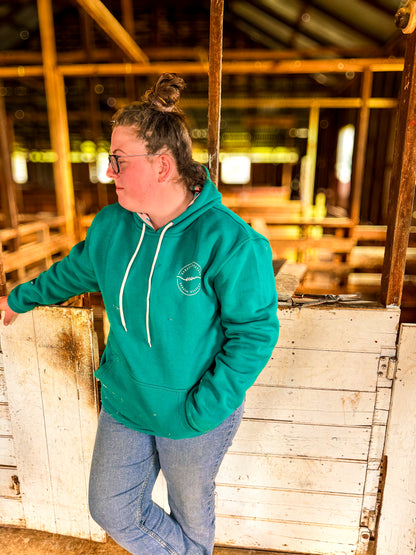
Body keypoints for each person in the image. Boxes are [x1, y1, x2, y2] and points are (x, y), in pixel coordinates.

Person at [0, 73, 279, 555]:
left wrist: (205, 408)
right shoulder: (112, 227)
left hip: (196, 410)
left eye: (119, 161)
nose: (110, 172)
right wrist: (16, 299)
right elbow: (72, 274)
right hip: (127, 401)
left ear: (163, 165)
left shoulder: (230, 241)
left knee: (192, 514)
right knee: (111, 506)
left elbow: (253, 334)